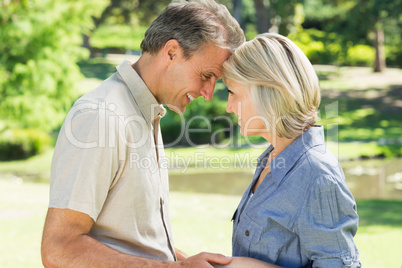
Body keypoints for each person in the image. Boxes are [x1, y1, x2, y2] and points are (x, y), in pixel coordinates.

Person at [41, 1, 246, 267]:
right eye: (206, 75)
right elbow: (59, 249)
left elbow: (131, 240)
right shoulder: (101, 117)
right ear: (171, 52)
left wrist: (184, 260)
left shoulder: (146, 111)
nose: (208, 93)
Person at [221, 33, 361, 267]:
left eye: (233, 93)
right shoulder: (273, 158)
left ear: (266, 92)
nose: (228, 107)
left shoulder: (317, 174)